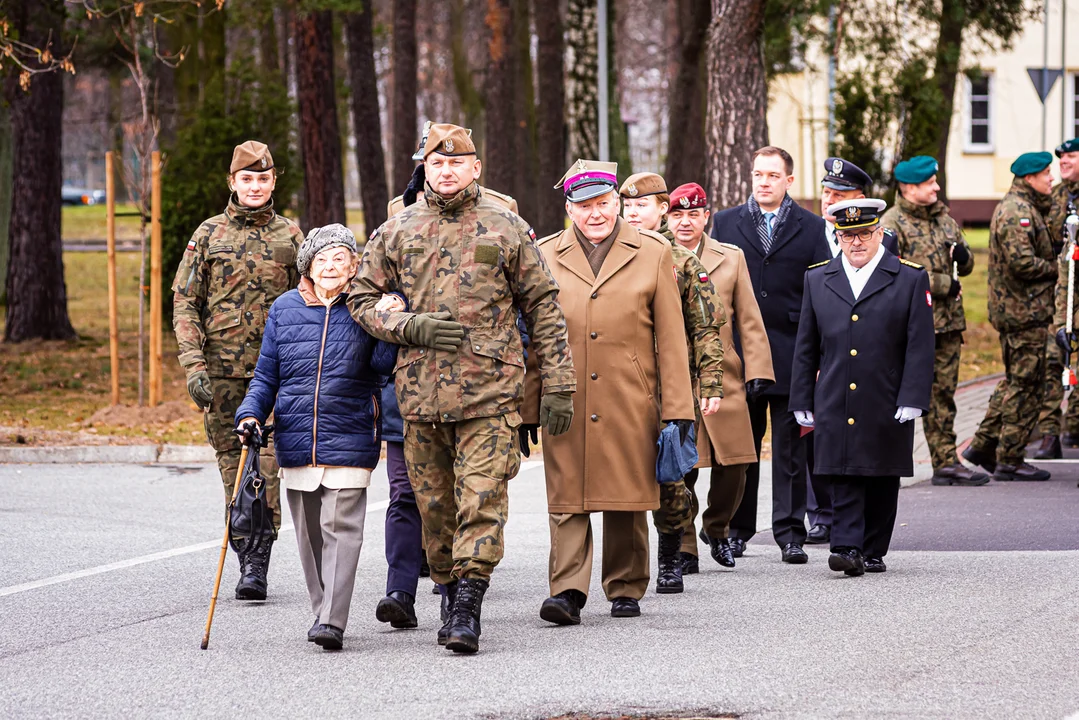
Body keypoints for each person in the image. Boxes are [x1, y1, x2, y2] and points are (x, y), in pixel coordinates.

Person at [346, 123, 576, 654]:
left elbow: (542, 306)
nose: (445, 171)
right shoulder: (397, 230)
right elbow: (360, 300)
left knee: (483, 496)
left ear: (475, 168)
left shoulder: (507, 226)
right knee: (435, 507)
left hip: (492, 392)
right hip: (421, 395)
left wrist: (558, 384)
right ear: (424, 168)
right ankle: (447, 588)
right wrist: (406, 327)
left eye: (456, 163)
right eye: (436, 163)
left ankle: (469, 601)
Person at [525, 159, 695, 625]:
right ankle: (567, 590)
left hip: (629, 394)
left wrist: (677, 409)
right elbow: (537, 335)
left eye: (603, 204)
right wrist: (527, 405)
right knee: (567, 493)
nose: (595, 214)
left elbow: (672, 337)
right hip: (566, 394)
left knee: (627, 493)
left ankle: (625, 585)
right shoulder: (545, 253)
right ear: (569, 208)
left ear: (617, 203)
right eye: (584, 206)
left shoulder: (653, 252)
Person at [235, 224, 399, 650]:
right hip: (296, 438)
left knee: (340, 527)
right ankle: (322, 608)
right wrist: (250, 413)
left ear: (353, 267)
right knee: (309, 534)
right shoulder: (285, 308)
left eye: (340, 259)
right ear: (307, 265)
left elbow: (383, 366)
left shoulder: (365, 307)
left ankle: (333, 620)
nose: (330, 267)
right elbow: (266, 374)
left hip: (350, 431)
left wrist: (389, 315)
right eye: (322, 260)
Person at [172, 140, 303, 600]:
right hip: (222, 375)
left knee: (265, 466)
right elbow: (185, 304)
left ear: (273, 182)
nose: (254, 186)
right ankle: (246, 553)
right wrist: (193, 365)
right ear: (232, 182)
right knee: (233, 467)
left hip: (277, 375)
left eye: (262, 179)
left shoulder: (291, 236)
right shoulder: (207, 235)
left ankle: (258, 560)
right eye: (246, 179)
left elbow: (310, 300)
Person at [790, 198, 934, 575]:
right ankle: (846, 547)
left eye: (864, 234)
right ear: (837, 237)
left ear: (880, 234)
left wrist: (914, 396)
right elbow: (806, 345)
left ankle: (873, 548)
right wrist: (801, 396)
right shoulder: (818, 278)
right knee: (843, 472)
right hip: (836, 395)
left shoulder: (908, 277)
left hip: (885, 395)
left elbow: (920, 344)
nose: (856, 242)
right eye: (847, 235)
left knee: (882, 475)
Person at [710, 145, 827, 564]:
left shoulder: (811, 228)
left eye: (772, 176)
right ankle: (738, 530)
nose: (763, 182)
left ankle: (791, 532)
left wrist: (817, 360)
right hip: (740, 354)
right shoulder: (724, 222)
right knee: (744, 446)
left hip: (792, 351)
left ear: (789, 181)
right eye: (758, 174)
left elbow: (821, 292)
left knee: (791, 451)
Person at [618, 172, 725, 592]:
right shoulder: (616, 254)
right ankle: (629, 566)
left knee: (670, 476)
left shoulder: (680, 259)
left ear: (663, 208)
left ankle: (669, 555)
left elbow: (706, 327)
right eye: (627, 208)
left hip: (668, 387)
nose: (633, 214)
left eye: (641, 206)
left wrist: (711, 384)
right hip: (625, 384)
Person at [665, 183, 774, 570]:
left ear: (706, 217)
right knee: (682, 469)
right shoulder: (658, 255)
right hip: (676, 376)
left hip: (725, 375)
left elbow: (749, 319)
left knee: (737, 463)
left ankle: (718, 527)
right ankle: (685, 545)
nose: (685, 222)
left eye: (693, 214)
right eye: (677, 214)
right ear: (666, 217)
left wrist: (759, 371)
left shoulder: (731, 258)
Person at [880, 156, 986, 487]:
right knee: (899, 397)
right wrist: (941, 283)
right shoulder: (891, 223)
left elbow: (964, 263)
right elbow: (890, 271)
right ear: (910, 188)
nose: (936, 187)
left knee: (943, 395)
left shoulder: (944, 219)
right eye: (929, 183)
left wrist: (965, 260)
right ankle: (885, 464)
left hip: (948, 324)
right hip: (910, 326)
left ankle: (944, 462)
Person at [962, 152, 1057, 482]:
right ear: (1029, 178)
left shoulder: (1026, 206)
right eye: (1046, 173)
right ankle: (1010, 457)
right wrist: (1058, 268)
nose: (1051, 178)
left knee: (1020, 380)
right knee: (1025, 384)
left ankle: (984, 446)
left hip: (1025, 310)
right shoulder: (1017, 211)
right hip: (1022, 312)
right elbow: (1023, 263)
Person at [1034, 137, 1079, 455]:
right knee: (1053, 357)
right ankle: (1050, 432)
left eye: (1071, 157)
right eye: (1060, 158)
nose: (1063, 162)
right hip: (1058, 289)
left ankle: (1074, 426)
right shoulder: (1056, 195)